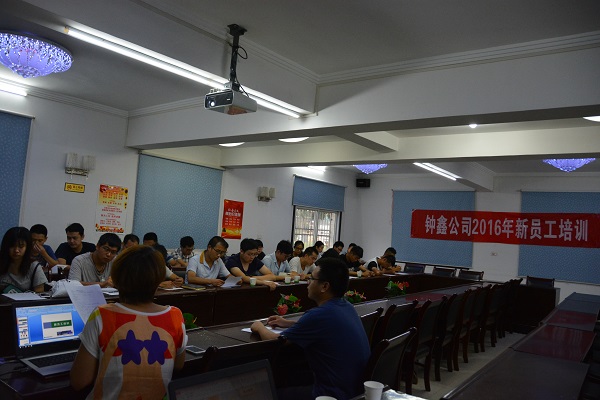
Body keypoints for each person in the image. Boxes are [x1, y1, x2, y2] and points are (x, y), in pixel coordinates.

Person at [71, 245, 187, 399]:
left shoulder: (102, 315)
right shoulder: (175, 315)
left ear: (117, 279)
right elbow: (178, 365)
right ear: (159, 280)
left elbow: (79, 381)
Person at [251, 257, 370, 400]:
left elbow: (275, 341)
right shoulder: (346, 306)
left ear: (324, 286)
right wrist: (287, 323)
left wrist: (259, 326)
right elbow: (321, 327)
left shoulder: (319, 314)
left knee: (270, 391)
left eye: (312, 278)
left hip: (332, 394)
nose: (308, 282)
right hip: (355, 389)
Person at [0, 227, 48, 293]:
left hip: (27, 299)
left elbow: (39, 292)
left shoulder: (34, 266)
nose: (16, 250)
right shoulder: (1, 262)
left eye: (21, 246)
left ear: (27, 247)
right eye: (12, 246)